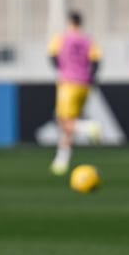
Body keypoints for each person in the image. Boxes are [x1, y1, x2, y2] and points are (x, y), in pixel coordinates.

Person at [47, 10, 101, 176]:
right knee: (69, 124)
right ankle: (62, 160)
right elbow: (96, 61)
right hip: (84, 84)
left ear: (70, 22)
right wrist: (89, 77)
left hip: (68, 84)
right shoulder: (88, 40)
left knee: (65, 122)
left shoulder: (62, 38)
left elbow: (52, 57)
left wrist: (64, 70)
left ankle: (87, 128)